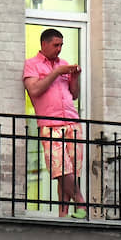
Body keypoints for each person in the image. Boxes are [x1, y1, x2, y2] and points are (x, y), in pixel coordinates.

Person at [22, 28, 88, 219]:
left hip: (72, 122)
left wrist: (74, 78)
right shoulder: (32, 64)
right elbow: (34, 90)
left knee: (70, 171)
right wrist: (56, 72)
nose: (59, 49)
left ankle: (64, 214)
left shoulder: (64, 64)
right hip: (50, 124)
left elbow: (74, 94)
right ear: (44, 44)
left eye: (61, 45)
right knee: (61, 169)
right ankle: (81, 202)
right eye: (55, 45)